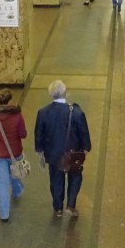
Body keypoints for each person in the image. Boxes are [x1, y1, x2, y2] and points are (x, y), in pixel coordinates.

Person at [34, 80, 92, 218]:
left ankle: (58, 208)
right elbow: (83, 132)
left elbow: (39, 133)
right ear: (65, 93)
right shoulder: (76, 112)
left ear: (51, 95)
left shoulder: (43, 113)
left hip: (53, 154)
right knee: (75, 177)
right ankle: (71, 205)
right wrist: (86, 147)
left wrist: (39, 149)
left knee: (55, 180)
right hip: (72, 153)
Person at [0, 89, 27, 222]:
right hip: (14, 152)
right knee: (15, 172)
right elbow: (23, 134)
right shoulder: (17, 116)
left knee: (2, 183)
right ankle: (16, 191)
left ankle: (4, 214)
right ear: (10, 101)